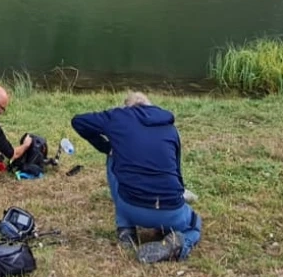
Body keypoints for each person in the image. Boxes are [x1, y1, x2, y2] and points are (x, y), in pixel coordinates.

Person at [71, 92, 202, 263]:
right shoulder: (171, 129)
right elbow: (177, 173)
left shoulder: (118, 118)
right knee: (194, 225)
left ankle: (126, 229)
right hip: (172, 211)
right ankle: (177, 244)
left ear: (127, 108)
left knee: (113, 156)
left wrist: (106, 147)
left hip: (131, 208)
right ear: (150, 106)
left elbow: (78, 121)